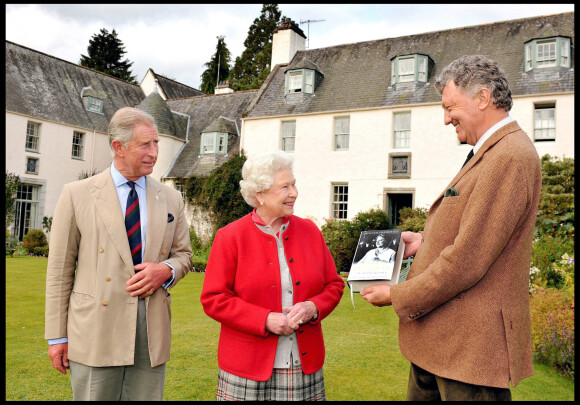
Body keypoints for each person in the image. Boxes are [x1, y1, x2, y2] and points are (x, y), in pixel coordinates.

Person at [361, 55, 542, 401]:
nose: (446, 119)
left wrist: (397, 295)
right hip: (443, 348)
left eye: (450, 108)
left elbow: (467, 261)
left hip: (469, 353)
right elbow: (479, 234)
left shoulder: (508, 157)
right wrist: (425, 241)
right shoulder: (490, 152)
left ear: (483, 98)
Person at [45, 107, 193, 401]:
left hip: (150, 331)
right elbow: (60, 271)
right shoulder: (77, 194)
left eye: (157, 144)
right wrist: (57, 337)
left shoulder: (172, 197)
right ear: (118, 147)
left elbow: (184, 255)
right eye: (145, 144)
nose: (155, 152)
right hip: (95, 330)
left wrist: (166, 270)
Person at [200, 150, 344, 401]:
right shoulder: (230, 237)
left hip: (302, 364)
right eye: (285, 187)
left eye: (294, 184)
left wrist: (313, 307)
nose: (294, 193)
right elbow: (214, 298)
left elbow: (333, 285)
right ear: (260, 194)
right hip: (246, 368)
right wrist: (265, 319)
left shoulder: (310, 231)